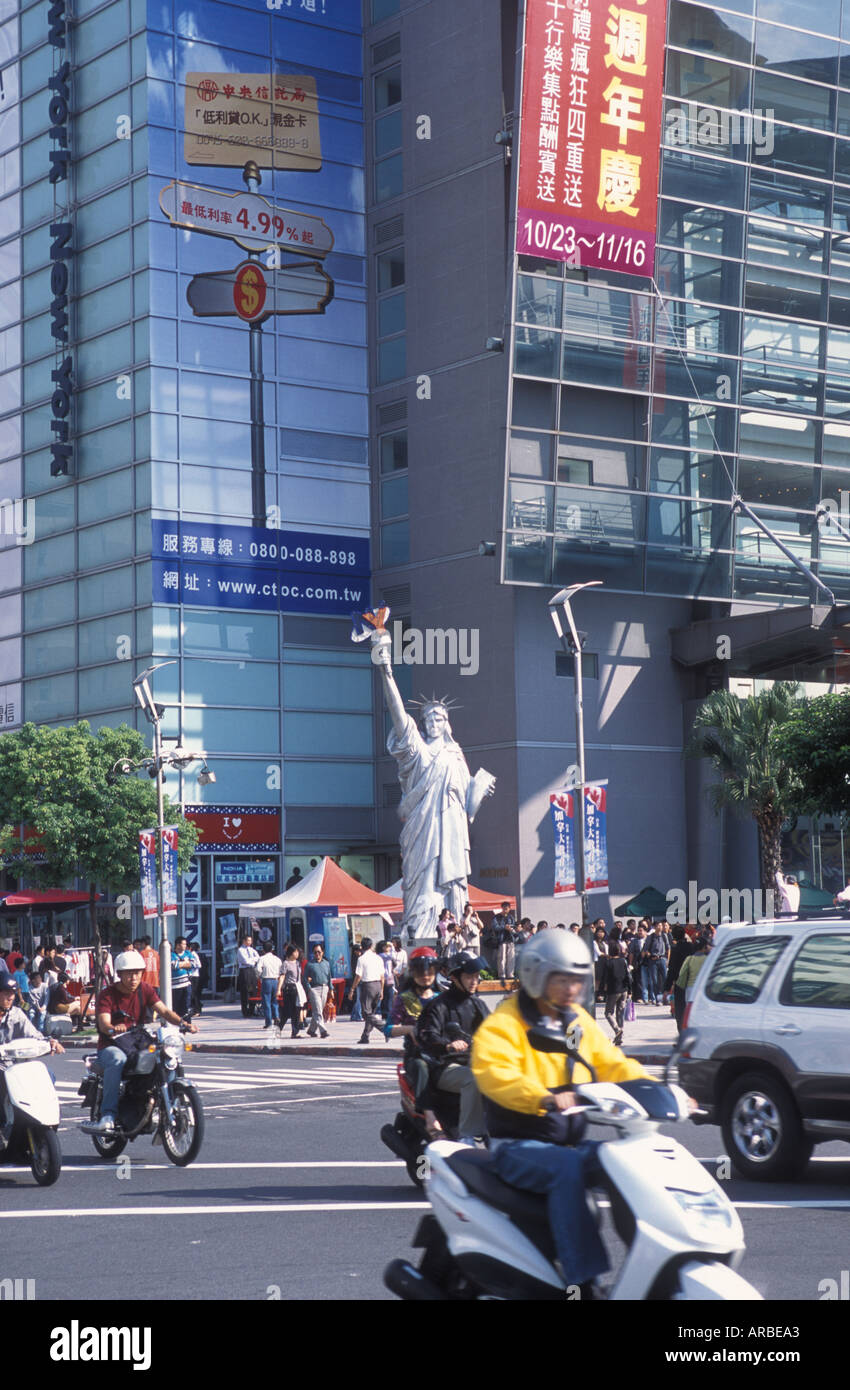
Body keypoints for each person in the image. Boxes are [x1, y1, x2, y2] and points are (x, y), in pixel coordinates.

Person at [471, 932, 651, 1295]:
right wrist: (542, 1097)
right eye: (562, 979)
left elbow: (612, 1063)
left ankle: (649, 1261)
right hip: (517, 1146)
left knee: (626, 1160)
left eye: (577, 980)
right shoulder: (504, 1024)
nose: (571, 989)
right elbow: (494, 1073)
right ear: (537, 975)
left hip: (566, 1144)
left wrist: (658, 1089)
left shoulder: (576, 1021)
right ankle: (583, 1281)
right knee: (565, 1169)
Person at [81, 951, 197, 1134]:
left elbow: (164, 1011)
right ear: (119, 974)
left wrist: (183, 1023)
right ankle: (108, 1115)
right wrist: (112, 1027)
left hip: (137, 1038)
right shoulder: (107, 994)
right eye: (128, 973)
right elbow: (103, 1023)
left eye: (137, 973)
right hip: (111, 1044)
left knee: (164, 1054)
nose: (133, 977)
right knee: (117, 1059)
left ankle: (167, 1103)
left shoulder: (146, 989)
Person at [416, 951, 489, 1142]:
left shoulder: (478, 1005)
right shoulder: (439, 1006)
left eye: (476, 976)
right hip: (445, 1066)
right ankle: (467, 1136)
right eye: (469, 977)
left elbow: (494, 1029)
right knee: (472, 1080)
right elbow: (428, 1035)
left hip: (475, 1062)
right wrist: (448, 1045)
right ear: (455, 978)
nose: (475, 981)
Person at [385, 945, 445, 1137]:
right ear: (413, 974)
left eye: (429, 972)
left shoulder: (442, 998)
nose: (425, 976)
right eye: (420, 972)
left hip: (443, 1053)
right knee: (421, 1066)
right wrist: (410, 1029)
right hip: (416, 1055)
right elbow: (389, 1028)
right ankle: (429, 1117)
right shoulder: (405, 999)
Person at [0, 973, 64, 1056]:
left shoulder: (16, 1014)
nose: (11, 997)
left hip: (11, 1065)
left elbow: (34, 1035)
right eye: (6, 993)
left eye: (12, 993)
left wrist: (50, 1042)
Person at [347, 937, 385, 1043]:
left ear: (362, 947)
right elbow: (382, 976)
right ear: (371, 946)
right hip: (377, 985)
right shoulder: (378, 958)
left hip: (368, 986)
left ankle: (384, 1029)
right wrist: (381, 989)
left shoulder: (361, 959)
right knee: (371, 1013)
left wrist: (352, 989)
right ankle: (365, 1036)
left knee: (366, 1013)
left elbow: (358, 976)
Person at [663, 924, 694, 1034]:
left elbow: (671, 970)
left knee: (680, 1010)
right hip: (693, 982)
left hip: (680, 983)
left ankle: (682, 1034)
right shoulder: (692, 947)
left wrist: (666, 988)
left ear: (674, 936)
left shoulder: (675, 950)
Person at [601, 941, 631, 1046]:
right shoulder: (623, 961)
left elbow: (604, 979)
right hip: (624, 990)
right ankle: (619, 1037)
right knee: (620, 1013)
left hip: (613, 991)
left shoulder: (608, 963)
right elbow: (628, 976)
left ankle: (617, 1029)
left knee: (608, 1013)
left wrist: (601, 992)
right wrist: (630, 990)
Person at [677, 928, 714, 1005]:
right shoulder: (708, 960)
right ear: (705, 947)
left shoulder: (689, 959)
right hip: (704, 990)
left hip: (690, 989)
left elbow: (682, 974)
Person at [277, 944, 305, 1038]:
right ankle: (278, 1028)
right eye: (295, 952)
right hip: (288, 989)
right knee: (287, 1011)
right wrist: (279, 989)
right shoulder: (285, 963)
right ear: (290, 953)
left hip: (297, 988)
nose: (297, 953)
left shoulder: (297, 963)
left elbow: (299, 977)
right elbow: (282, 976)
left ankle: (295, 1032)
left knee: (296, 1010)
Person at [305, 943, 332, 1038]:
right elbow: (305, 978)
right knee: (317, 1010)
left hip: (325, 988)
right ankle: (323, 1030)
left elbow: (329, 977)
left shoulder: (326, 963)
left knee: (318, 1010)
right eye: (315, 952)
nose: (317, 954)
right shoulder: (309, 964)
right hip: (314, 989)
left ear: (322, 952)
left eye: (319, 952)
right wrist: (309, 988)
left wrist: (331, 989)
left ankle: (311, 1030)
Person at [256, 942, 282, 1030]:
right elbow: (281, 970)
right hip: (275, 980)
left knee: (266, 1002)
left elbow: (258, 969)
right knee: (274, 1001)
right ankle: (277, 1017)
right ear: (272, 949)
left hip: (266, 980)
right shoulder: (277, 959)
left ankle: (268, 1022)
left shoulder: (262, 958)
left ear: (263, 950)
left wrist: (260, 976)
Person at [236, 933, 260, 1016]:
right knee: (245, 991)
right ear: (244, 941)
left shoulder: (251, 949)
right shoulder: (240, 950)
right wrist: (253, 960)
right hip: (244, 970)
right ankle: (245, 1011)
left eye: (251, 940)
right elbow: (245, 961)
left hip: (252, 970)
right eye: (248, 940)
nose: (250, 942)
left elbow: (258, 957)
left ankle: (252, 1010)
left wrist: (252, 960)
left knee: (253, 990)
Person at [170, 938, 194, 1019]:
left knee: (186, 1006)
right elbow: (173, 965)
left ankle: (187, 1024)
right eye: (183, 944)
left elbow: (193, 964)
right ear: (177, 945)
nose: (185, 946)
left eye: (185, 944)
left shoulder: (188, 953)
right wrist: (185, 963)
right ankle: (178, 1024)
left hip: (186, 984)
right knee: (176, 1007)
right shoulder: (172, 955)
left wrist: (180, 964)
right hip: (175, 986)